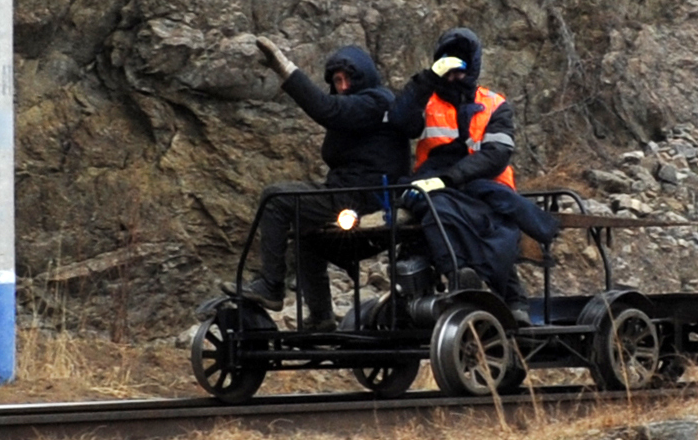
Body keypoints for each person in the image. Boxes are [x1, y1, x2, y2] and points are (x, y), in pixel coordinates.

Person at [236, 39, 414, 323]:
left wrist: (286, 70)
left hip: (365, 198)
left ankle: (271, 285)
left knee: (277, 198)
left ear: (363, 77)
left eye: (346, 79)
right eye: (337, 81)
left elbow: (326, 109)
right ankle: (321, 317)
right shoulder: (357, 111)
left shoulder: (376, 101)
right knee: (307, 232)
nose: (342, 86)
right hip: (349, 193)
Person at [392, 27, 555, 317]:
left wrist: (449, 178)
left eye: (461, 66)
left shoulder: (495, 104)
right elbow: (400, 122)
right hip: (433, 186)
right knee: (437, 210)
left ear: (473, 66)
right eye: (448, 65)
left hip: (487, 185)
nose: (455, 74)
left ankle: (505, 295)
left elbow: (496, 155)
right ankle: (458, 275)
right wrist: (427, 78)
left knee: (494, 227)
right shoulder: (426, 100)